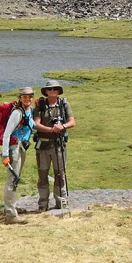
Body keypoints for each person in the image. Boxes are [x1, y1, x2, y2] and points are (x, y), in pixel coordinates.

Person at [32, 79, 76, 211]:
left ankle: (61, 202)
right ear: (45, 91)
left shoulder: (64, 104)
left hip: (59, 146)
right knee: (42, 175)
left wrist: (62, 126)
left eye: (55, 89)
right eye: (49, 89)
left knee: (60, 174)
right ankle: (43, 204)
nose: (52, 91)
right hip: (43, 147)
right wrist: (51, 129)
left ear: (58, 91)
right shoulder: (40, 105)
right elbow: (36, 124)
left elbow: (72, 122)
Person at [1, 86, 35, 225]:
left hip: (21, 147)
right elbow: (7, 134)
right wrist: (5, 155)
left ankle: (11, 210)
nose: (28, 99)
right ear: (20, 98)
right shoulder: (17, 113)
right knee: (12, 180)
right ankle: (10, 215)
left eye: (30, 96)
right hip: (14, 149)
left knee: (16, 179)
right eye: (25, 97)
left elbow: (33, 125)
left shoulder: (29, 111)